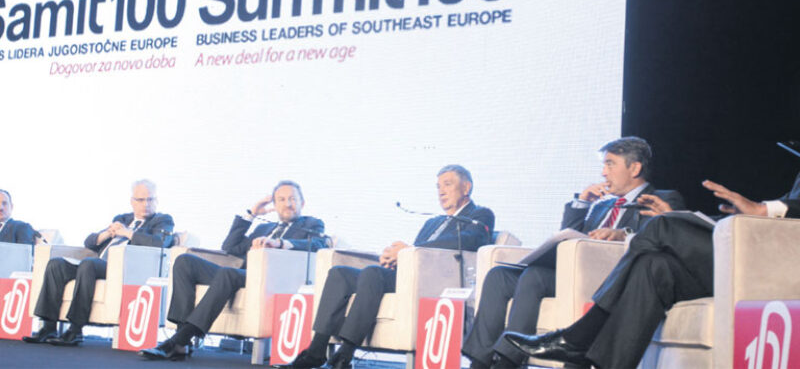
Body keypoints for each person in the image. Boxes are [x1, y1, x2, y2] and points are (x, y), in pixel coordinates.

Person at [503, 173, 800, 369]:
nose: (603, 172)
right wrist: (748, 213)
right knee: (653, 266)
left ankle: (579, 336)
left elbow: (783, 210)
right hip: (756, 245)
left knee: (662, 225)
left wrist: (764, 210)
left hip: (775, 262)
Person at [462, 137, 684, 369]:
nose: (603, 173)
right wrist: (582, 203)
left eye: (610, 164)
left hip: (608, 279)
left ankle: (508, 361)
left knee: (534, 276)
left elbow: (664, 237)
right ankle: (479, 362)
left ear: (635, 168)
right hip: (568, 275)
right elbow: (568, 236)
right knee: (499, 276)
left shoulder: (662, 199)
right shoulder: (602, 205)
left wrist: (623, 233)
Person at [281, 165, 495, 369]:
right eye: (438, 186)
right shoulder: (433, 222)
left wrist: (409, 250)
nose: (441, 191)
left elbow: (472, 240)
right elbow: (416, 253)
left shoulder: (480, 215)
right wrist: (394, 257)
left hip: (430, 281)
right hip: (407, 274)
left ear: (466, 187)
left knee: (373, 273)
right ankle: (316, 349)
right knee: (339, 274)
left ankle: (345, 354)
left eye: (447, 184)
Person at [139, 180, 328, 361]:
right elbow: (230, 246)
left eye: (293, 199)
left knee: (228, 273)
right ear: (275, 205)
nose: (288, 204)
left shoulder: (311, 224)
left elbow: (318, 244)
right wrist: (251, 214)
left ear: (302, 202)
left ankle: (177, 341)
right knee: (184, 262)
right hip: (243, 275)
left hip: (270, 279)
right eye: (282, 199)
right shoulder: (264, 227)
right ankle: (182, 341)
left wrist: (279, 243)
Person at [22, 179, 174, 346]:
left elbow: (159, 243)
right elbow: (89, 242)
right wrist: (108, 233)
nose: (146, 204)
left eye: (150, 199)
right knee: (56, 265)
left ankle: (75, 329)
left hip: (122, 268)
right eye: (141, 200)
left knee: (88, 264)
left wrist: (127, 233)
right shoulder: (122, 218)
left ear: (156, 200)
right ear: (132, 201)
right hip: (98, 264)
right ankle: (48, 327)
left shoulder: (162, 220)